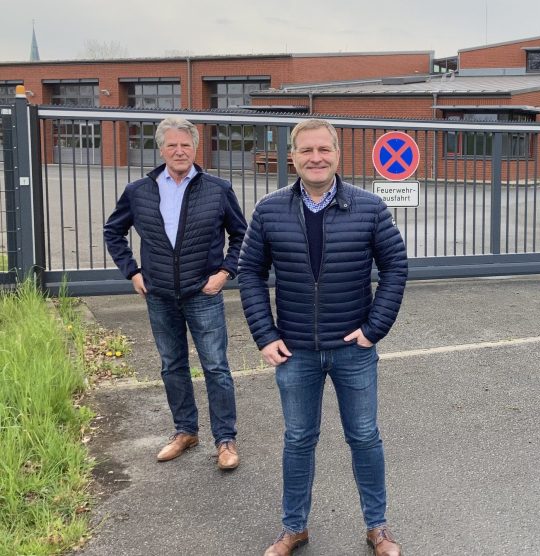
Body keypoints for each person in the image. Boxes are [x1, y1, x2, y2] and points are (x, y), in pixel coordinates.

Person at [238, 119, 408, 556]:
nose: (316, 158)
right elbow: (251, 274)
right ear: (292, 156)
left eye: (324, 150)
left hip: (354, 349)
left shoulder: (369, 208)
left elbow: (395, 268)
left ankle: (378, 527)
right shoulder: (270, 209)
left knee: (365, 437)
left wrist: (375, 329)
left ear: (337, 154)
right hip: (294, 352)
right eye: (306, 150)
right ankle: (293, 527)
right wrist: (264, 333)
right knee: (298, 439)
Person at [104, 117, 247, 470]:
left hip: (203, 292)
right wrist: (132, 272)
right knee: (172, 365)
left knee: (216, 367)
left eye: (185, 144)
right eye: (172, 145)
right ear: (161, 149)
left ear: (196, 148)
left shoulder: (218, 189)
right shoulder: (139, 191)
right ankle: (185, 431)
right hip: (159, 294)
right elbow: (113, 231)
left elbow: (242, 236)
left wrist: (225, 273)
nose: (179, 151)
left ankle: (225, 440)